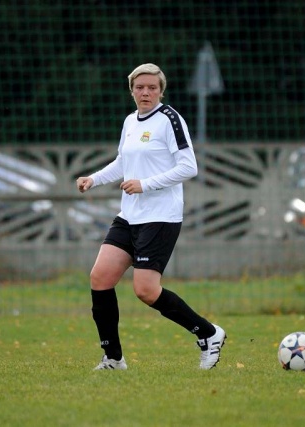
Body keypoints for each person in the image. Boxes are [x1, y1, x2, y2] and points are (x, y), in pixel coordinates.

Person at [76, 63, 226, 371]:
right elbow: (123, 163)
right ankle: (113, 358)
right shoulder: (130, 121)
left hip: (160, 216)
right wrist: (93, 179)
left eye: (152, 88)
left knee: (145, 290)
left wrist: (145, 184)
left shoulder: (170, 119)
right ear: (131, 90)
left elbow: (189, 167)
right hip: (129, 215)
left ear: (161, 91)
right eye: (140, 87)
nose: (146, 92)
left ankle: (208, 333)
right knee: (100, 278)